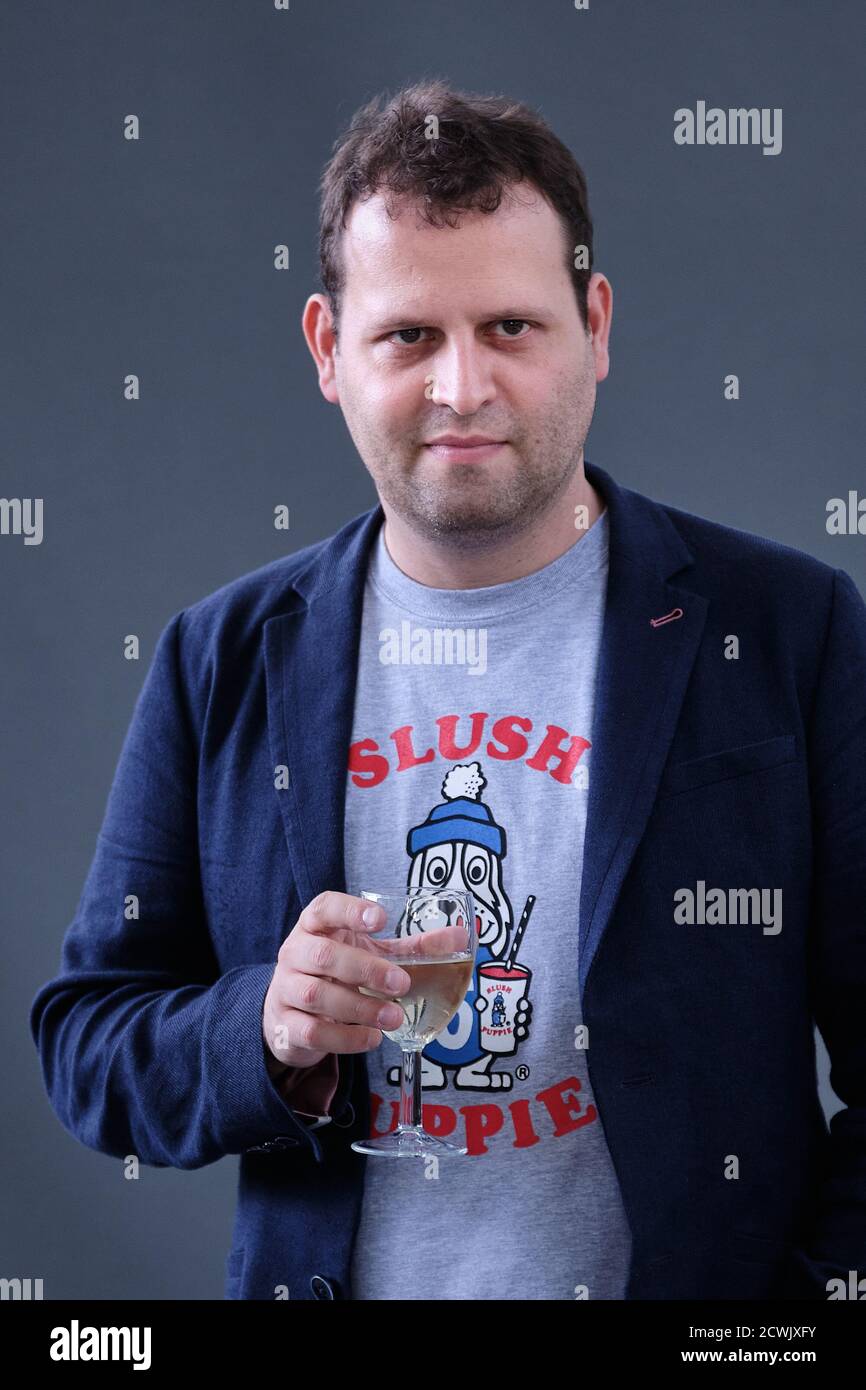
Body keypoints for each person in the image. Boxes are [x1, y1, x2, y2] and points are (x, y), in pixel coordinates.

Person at [31, 80, 866, 1302]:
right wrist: (264, 1027)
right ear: (328, 349)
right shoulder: (220, 655)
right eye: (409, 335)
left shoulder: (788, 630)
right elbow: (87, 1044)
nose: (461, 387)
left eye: (512, 328)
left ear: (594, 323)